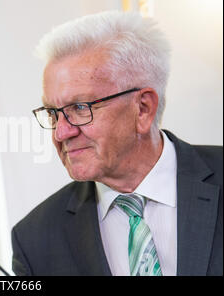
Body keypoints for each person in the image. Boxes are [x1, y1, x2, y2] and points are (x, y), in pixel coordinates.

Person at [12, 11, 222, 276]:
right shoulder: (35, 241)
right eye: (53, 113)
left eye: (79, 107)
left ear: (143, 109)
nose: (61, 132)